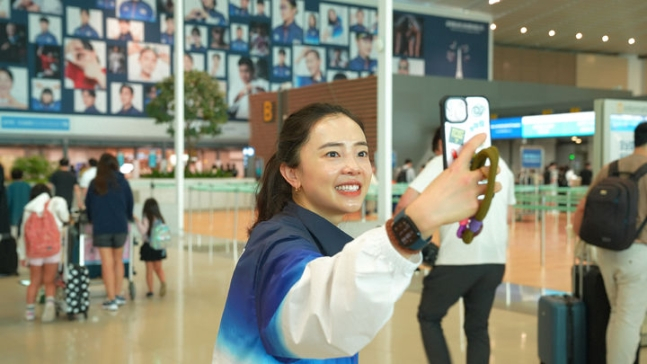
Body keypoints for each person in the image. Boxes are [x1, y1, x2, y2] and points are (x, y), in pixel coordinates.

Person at [213, 103, 500, 362]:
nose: (353, 167)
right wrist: (411, 227)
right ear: (292, 174)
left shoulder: (313, 238)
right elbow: (315, 320)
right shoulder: (278, 242)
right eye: (333, 154)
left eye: (361, 153)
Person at [394, 140, 516, 364]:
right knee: (477, 327)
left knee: (429, 316)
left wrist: (411, 244)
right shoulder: (503, 166)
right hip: (495, 262)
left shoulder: (445, 161)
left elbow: (405, 204)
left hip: (457, 261)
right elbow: (508, 216)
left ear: (441, 144)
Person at [573, 122, 647, 364]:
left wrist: (581, 240)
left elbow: (583, 208)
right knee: (627, 319)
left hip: (606, 251)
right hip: (638, 253)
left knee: (618, 315)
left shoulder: (611, 168)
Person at [85, 153, 134, 311]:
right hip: (120, 226)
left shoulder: (95, 183)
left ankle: (111, 298)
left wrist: (93, 219)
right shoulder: (123, 182)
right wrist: (125, 217)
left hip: (102, 227)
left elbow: (88, 205)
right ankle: (119, 295)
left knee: (107, 263)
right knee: (118, 261)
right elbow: (130, 204)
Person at [18, 184, 69, 322]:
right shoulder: (55, 202)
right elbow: (65, 218)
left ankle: (30, 311)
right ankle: (49, 306)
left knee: (34, 281)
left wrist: (23, 255)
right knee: (49, 280)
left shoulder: (28, 208)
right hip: (52, 248)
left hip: (34, 250)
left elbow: (23, 233)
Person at [134, 198, 167, 298]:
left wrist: (137, 221)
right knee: (158, 268)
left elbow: (143, 231)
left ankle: (150, 291)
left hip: (148, 247)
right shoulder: (161, 219)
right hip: (159, 247)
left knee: (149, 269)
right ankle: (163, 282)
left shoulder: (146, 218)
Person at [7, 168, 31, 238]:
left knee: (14, 237)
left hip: (13, 216)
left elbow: (8, 202)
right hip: (26, 215)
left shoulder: (10, 187)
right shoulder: (27, 186)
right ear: (22, 176)